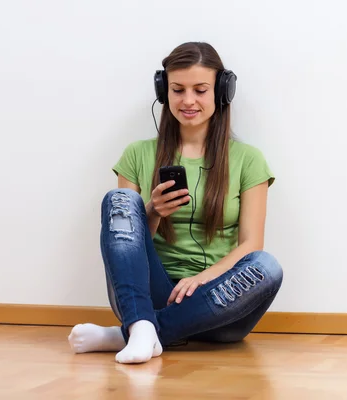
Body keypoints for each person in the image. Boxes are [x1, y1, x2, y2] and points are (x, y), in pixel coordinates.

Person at [67, 42, 283, 364]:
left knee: (267, 266)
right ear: (163, 91)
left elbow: (251, 245)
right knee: (120, 200)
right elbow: (126, 245)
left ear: (222, 91)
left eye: (200, 89)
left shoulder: (248, 160)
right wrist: (151, 211)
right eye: (178, 90)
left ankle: (132, 333)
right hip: (151, 294)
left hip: (220, 306)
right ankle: (141, 324)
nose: (188, 100)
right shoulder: (137, 154)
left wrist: (202, 278)